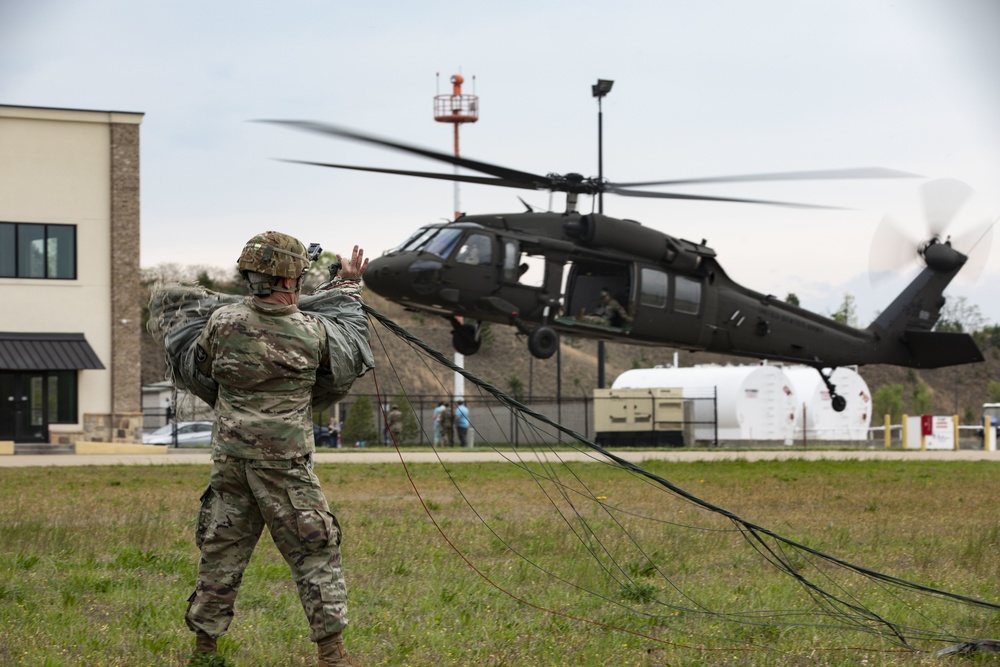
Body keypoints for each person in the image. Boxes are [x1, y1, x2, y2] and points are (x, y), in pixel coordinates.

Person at [184, 232, 372, 667]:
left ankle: (205, 650)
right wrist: (346, 286)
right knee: (315, 550)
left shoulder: (222, 323)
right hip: (285, 467)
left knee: (221, 552)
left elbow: (204, 368)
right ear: (289, 281)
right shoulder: (310, 333)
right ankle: (333, 654)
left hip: (230, 461)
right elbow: (338, 365)